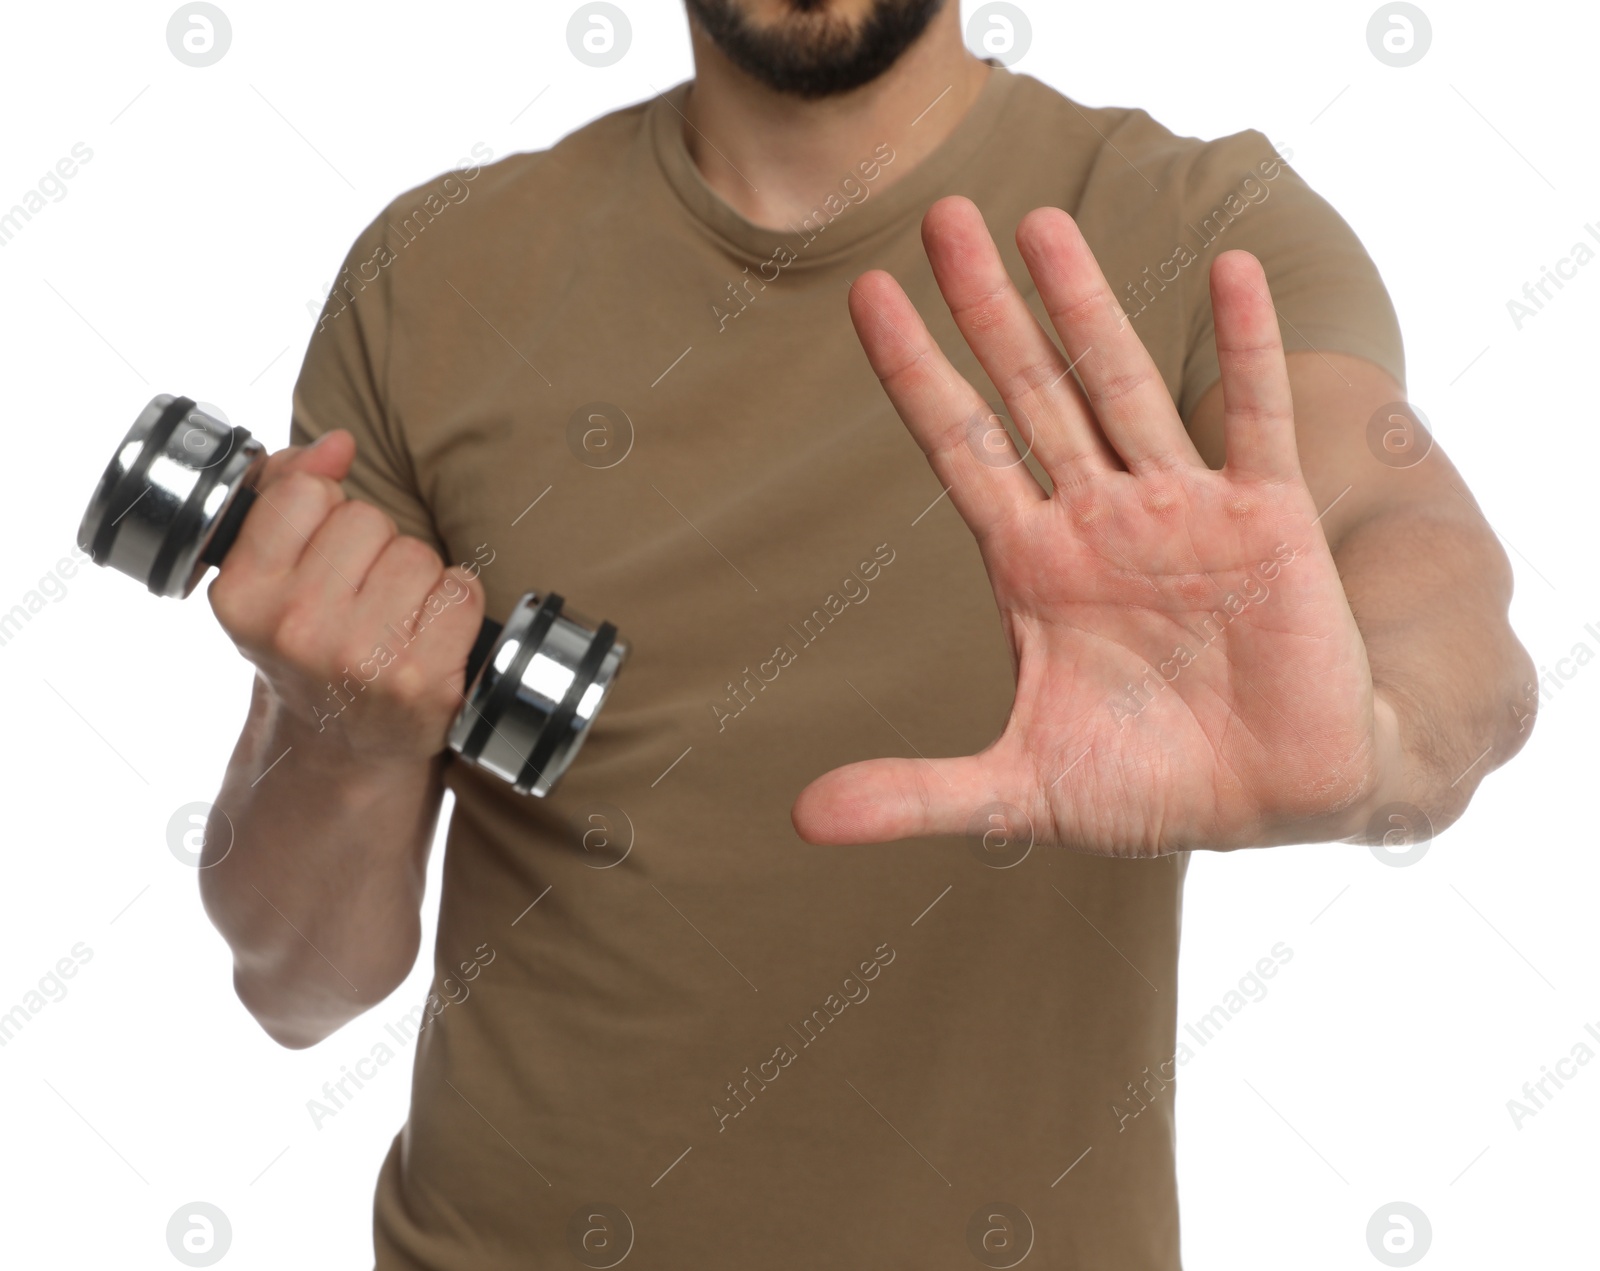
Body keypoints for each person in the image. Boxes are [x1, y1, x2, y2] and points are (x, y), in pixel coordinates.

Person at [196, 1, 1535, 1265]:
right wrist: (351, 745)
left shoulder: (1201, 226)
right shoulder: (433, 273)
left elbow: (1421, 551)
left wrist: (1379, 744)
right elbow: (295, 989)